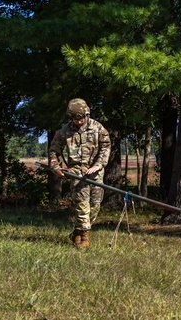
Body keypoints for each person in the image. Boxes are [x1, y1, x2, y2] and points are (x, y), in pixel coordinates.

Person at [48, 98, 110, 248]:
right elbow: (53, 152)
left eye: (82, 118)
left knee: (95, 205)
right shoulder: (64, 132)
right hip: (76, 171)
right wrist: (56, 168)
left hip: (95, 172)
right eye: (76, 119)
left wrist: (98, 164)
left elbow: (106, 147)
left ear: (87, 114)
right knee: (82, 205)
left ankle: (77, 231)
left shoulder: (98, 128)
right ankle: (84, 238)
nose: (79, 121)